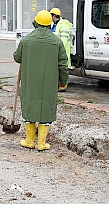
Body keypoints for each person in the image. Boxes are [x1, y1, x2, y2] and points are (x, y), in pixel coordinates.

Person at [13, 10, 69, 151]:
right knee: (46, 108)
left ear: (36, 23)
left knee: (30, 105)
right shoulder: (57, 42)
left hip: (29, 81)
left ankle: (30, 141)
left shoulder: (26, 40)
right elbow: (63, 64)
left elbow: (17, 57)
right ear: (49, 24)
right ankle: (41, 143)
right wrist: (64, 81)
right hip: (49, 83)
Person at [51, 8, 74, 84]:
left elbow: (63, 42)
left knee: (62, 69)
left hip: (61, 51)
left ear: (54, 16)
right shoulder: (53, 25)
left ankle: (63, 84)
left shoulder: (63, 25)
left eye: (51, 15)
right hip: (55, 50)